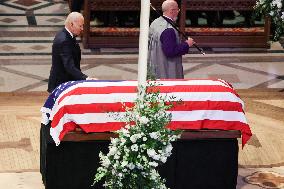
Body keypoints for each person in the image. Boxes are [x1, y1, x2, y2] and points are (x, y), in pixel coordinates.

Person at [147, 0, 194, 79]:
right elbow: (171, 52)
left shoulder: (155, 22)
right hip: (166, 70)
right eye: (177, 9)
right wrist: (187, 44)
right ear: (172, 10)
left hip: (154, 63)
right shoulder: (169, 29)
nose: (178, 12)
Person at [47, 12, 93, 93]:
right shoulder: (64, 40)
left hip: (65, 81)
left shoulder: (65, 34)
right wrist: (86, 79)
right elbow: (69, 66)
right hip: (61, 84)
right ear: (71, 24)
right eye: (80, 26)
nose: (82, 28)